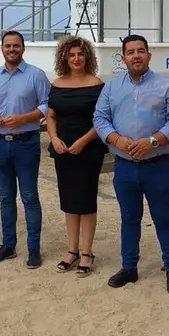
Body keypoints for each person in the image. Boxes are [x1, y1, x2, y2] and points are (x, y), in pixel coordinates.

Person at [93, 34, 169, 293]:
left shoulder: (166, 85)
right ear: (122, 58)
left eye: (141, 51)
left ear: (149, 55)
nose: (136, 55)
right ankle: (129, 268)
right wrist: (117, 140)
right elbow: (100, 118)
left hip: (157, 165)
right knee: (129, 218)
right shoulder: (111, 88)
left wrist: (152, 142)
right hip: (124, 166)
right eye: (131, 52)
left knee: (163, 217)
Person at [0, 31, 51, 268]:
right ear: (2, 49)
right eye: (7, 46)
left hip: (26, 143)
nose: (12, 49)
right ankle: (8, 245)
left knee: (29, 197)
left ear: (23, 48)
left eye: (16, 45)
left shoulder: (36, 75)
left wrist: (26, 118)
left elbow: (48, 105)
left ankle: (33, 249)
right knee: (6, 198)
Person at [45, 35, 107, 277]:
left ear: (87, 57)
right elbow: (51, 116)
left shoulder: (97, 84)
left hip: (89, 149)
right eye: (71, 55)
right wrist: (54, 138)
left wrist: (82, 141)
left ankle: (87, 252)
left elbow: (101, 120)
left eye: (80, 54)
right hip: (62, 150)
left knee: (86, 201)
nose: (76, 58)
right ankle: (72, 250)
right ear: (65, 58)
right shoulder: (57, 84)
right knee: (69, 201)